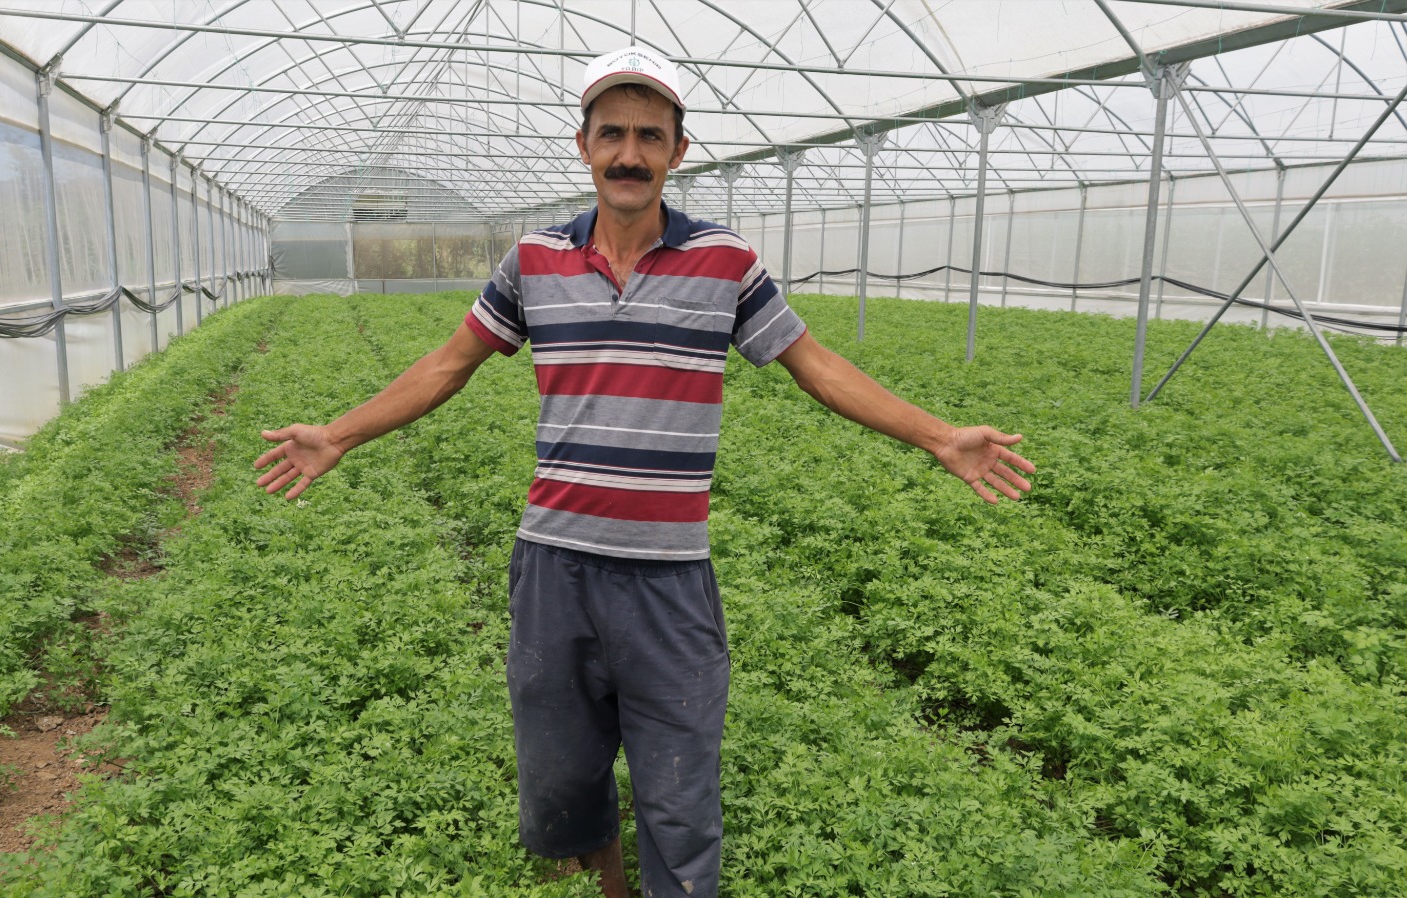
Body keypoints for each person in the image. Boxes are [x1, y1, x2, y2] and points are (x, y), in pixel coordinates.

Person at [254, 45, 1035, 898]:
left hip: (668, 577)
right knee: (562, 770)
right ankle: (610, 882)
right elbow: (448, 365)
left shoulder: (725, 261)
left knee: (680, 791)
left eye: (650, 136)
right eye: (613, 134)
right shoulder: (533, 260)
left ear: (678, 151)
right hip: (554, 568)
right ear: (584, 145)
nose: (630, 154)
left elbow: (816, 366)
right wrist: (339, 436)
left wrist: (937, 437)